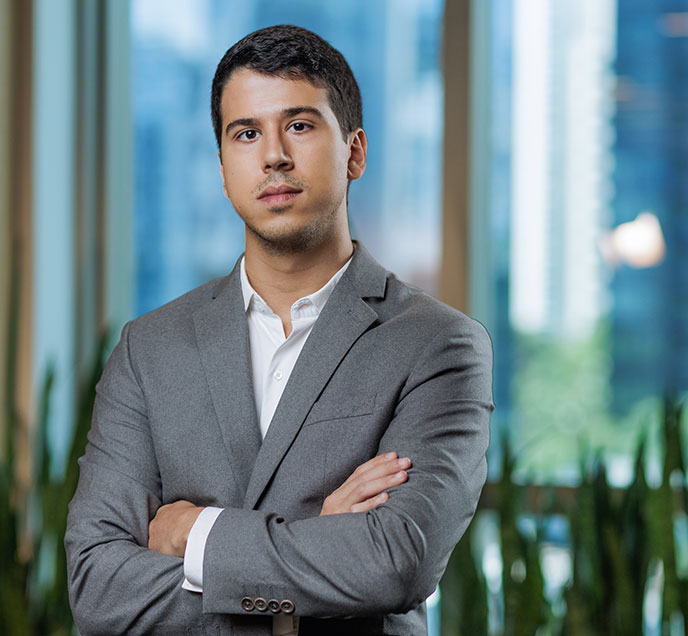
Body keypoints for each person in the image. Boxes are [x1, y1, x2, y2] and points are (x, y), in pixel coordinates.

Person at [65, 24, 493, 636]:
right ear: (221, 166)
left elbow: (397, 562)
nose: (273, 155)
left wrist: (198, 534)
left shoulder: (438, 345)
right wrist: (317, 541)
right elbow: (97, 588)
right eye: (246, 133)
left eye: (299, 125)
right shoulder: (148, 349)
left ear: (355, 151)